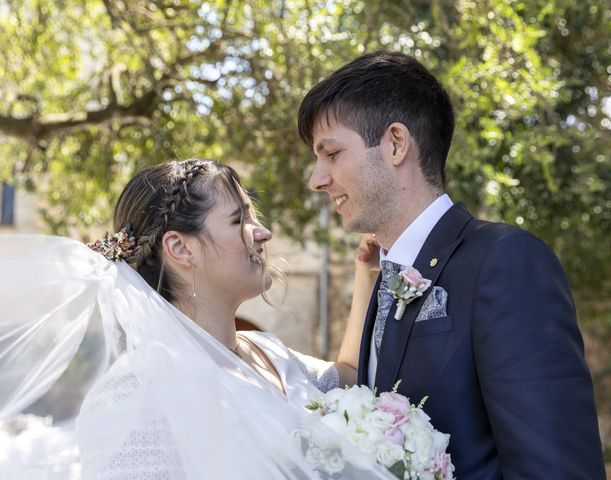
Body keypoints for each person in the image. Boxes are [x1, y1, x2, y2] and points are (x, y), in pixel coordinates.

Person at [298, 50, 606, 479]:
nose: (316, 179)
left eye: (331, 154)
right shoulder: (380, 281)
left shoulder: (505, 260)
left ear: (395, 143)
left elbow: (556, 468)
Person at [0, 159, 392, 479]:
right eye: (240, 221)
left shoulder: (268, 350)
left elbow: (346, 377)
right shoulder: (135, 395)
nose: (264, 233)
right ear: (179, 248)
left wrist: (366, 276)